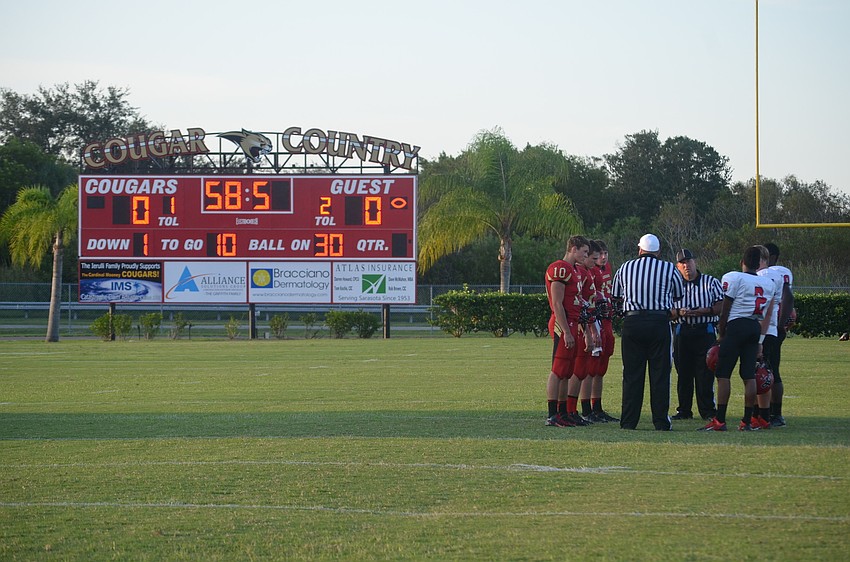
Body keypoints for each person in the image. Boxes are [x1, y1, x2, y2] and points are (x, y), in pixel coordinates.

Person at [611, 234, 684, 430]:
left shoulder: (625, 267)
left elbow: (616, 297)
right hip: (659, 322)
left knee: (632, 374)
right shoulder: (669, 268)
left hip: (633, 322)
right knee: (660, 373)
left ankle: (628, 421)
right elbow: (679, 295)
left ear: (640, 250)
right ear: (658, 251)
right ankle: (660, 421)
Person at [700, 246, 776, 432]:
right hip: (754, 327)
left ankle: (720, 420)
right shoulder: (768, 284)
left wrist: (721, 334)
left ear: (742, 262)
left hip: (736, 326)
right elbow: (766, 314)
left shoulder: (735, 277)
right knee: (749, 375)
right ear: (759, 264)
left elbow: (726, 309)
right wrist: (760, 341)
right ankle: (747, 421)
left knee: (723, 374)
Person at [544, 235, 594, 427]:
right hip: (562, 323)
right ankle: (552, 414)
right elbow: (557, 303)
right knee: (558, 370)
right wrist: (566, 331)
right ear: (573, 248)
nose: (586, 256)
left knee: (567, 371)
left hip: (572, 322)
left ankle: (563, 412)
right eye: (584, 252)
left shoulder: (574, 270)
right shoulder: (560, 267)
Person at [671, 249, 723, 421]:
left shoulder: (711, 282)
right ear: (677, 266)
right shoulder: (673, 285)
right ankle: (684, 410)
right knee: (683, 373)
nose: (687, 266)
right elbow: (666, 310)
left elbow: (721, 305)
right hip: (682, 331)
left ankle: (707, 410)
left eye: (689, 261)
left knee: (705, 372)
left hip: (705, 330)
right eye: (682, 263)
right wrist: (679, 312)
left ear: (695, 262)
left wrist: (704, 311)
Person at [579, 239, 619, 423]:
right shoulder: (588, 271)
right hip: (595, 320)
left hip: (606, 320)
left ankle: (597, 407)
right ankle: (587, 409)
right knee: (590, 367)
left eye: (605, 254)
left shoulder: (606, 268)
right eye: (598, 255)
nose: (603, 258)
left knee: (601, 367)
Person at [762, 242, 794, 427]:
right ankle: (770, 412)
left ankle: (772, 414)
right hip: (774, 326)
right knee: (770, 368)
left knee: (769, 369)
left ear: (770, 257)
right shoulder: (781, 273)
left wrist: (780, 324)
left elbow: (787, 297)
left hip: (771, 327)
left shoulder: (774, 273)